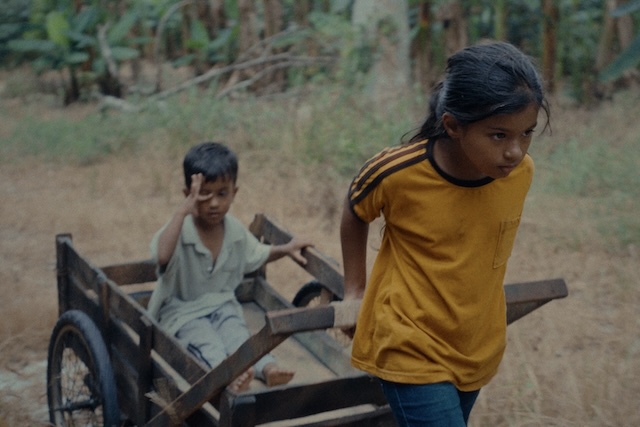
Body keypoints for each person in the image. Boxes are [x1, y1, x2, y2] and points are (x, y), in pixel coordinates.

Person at [340, 41, 549, 426]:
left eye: (527, 133)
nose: (515, 151)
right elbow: (355, 210)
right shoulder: (397, 172)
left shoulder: (520, 174)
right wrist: (354, 289)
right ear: (453, 126)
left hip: (475, 344)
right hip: (408, 341)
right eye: (499, 135)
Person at [147, 141, 312, 392]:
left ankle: (267, 368)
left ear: (234, 193)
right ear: (188, 195)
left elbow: (255, 255)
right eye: (205, 194)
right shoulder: (180, 231)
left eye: (222, 194)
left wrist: (286, 249)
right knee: (206, 343)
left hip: (222, 305)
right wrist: (181, 213)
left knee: (238, 336)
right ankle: (226, 375)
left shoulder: (234, 231)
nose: (214, 203)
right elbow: (162, 257)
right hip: (183, 313)